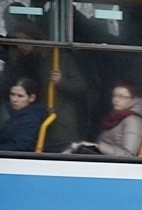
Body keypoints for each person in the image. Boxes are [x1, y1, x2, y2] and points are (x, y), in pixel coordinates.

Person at [0, 24, 87, 152]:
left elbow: (82, 86)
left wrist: (61, 81)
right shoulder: (16, 61)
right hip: (22, 120)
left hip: (56, 122)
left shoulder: (58, 59)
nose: (22, 45)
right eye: (18, 41)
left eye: (26, 40)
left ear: (36, 39)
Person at [63, 82, 142, 156]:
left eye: (121, 97)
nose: (116, 100)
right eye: (114, 96)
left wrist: (98, 147)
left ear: (133, 100)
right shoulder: (118, 118)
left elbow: (129, 155)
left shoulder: (133, 121)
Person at [0, 76, 46, 151]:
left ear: (31, 98)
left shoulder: (31, 119)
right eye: (12, 94)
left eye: (20, 96)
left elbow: (19, 146)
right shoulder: (15, 113)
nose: (14, 99)